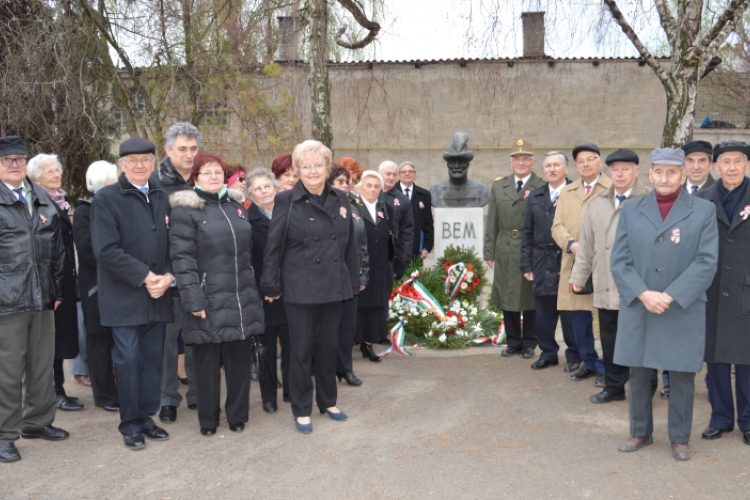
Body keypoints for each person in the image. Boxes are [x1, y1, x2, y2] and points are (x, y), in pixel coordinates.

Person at [612, 147, 718, 461]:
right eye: (659, 171)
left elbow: (706, 262)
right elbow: (619, 261)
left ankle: (679, 438)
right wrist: (644, 294)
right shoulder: (632, 210)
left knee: (683, 375)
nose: (665, 178)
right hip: (640, 304)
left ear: (683, 174)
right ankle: (640, 431)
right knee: (640, 373)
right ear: (650, 174)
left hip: (681, 306)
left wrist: (669, 295)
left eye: (672, 172)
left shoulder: (703, 211)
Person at [261, 140, 359, 434]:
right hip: (300, 287)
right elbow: (273, 246)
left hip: (333, 284)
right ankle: (301, 408)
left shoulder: (341, 199)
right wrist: (270, 283)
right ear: (298, 170)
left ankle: (328, 401)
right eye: (307, 166)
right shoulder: (286, 200)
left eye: (319, 165)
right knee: (301, 351)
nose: (313, 170)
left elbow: (350, 245)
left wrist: (352, 282)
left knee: (329, 347)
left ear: (328, 168)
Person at [169, 152, 265, 436]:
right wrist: (193, 299)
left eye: (218, 172)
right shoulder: (185, 211)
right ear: (195, 178)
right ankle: (208, 420)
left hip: (240, 295)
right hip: (207, 297)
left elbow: (248, 254)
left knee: (238, 360)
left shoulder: (237, 207)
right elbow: (182, 259)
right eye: (207, 172)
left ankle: (237, 415)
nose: (213, 177)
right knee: (207, 364)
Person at [91, 137, 175, 450]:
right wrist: (146, 276)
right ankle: (130, 425)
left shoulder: (162, 195)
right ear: (122, 165)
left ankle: (145, 417)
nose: (139, 165)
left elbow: (174, 243)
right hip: (124, 296)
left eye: (145, 159)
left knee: (152, 360)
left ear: (154, 162)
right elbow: (106, 250)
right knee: (128, 360)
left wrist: (167, 276)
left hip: (159, 293)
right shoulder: (106, 199)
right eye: (132, 160)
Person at [0, 136, 69, 464]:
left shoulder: (40, 196)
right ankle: (4, 435)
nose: (14, 164)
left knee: (41, 365)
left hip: (42, 298)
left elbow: (57, 249)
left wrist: (55, 290)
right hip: (6, 302)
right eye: (6, 159)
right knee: (8, 372)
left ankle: (38, 423)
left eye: (19, 158)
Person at [570, 150, 651, 404]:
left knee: (641, 339)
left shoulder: (649, 200)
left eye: (625, 168)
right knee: (609, 337)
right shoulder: (597, 203)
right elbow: (587, 246)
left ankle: (645, 388)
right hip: (606, 283)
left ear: (636, 171)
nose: (620, 174)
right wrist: (578, 277)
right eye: (615, 169)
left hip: (638, 286)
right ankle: (614, 386)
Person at [695, 140, 750, 445]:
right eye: (725, 162)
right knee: (715, 358)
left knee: (747, 361)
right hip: (712, 289)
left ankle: (748, 420)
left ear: (747, 165)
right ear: (716, 167)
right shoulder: (702, 200)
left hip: (745, 289)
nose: (731, 168)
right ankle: (721, 418)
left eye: (737, 161)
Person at [552, 143, 612, 384]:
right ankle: (588, 362)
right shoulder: (567, 191)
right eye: (581, 161)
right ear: (575, 166)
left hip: (605, 263)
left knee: (607, 319)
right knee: (579, 316)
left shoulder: (611, 188)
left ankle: (609, 368)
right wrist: (571, 244)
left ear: (600, 162)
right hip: (575, 262)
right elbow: (557, 226)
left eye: (591, 159)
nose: (586, 164)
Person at [26, 154, 82, 411]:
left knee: (58, 340)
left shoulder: (57, 199)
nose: (56, 175)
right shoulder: (38, 203)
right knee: (50, 341)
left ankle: (57, 389)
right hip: (51, 284)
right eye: (50, 172)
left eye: (57, 170)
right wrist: (56, 289)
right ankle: (54, 392)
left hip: (63, 280)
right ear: (36, 177)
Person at [152, 122, 199, 424]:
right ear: (168, 150)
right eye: (182, 149)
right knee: (167, 343)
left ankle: (198, 393)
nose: (189, 154)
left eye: (194, 148)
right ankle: (168, 399)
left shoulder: (205, 177)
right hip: (165, 276)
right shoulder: (155, 184)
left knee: (197, 338)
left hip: (198, 274)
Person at [520, 151, 580, 372]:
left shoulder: (577, 192)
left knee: (569, 312)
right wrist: (526, 265)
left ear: (566, 169)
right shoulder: (535, 196)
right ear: (543, 170)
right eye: (548, 166)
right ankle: (548, 353)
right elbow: (527, 233)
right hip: (541, 261)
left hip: (567, 260)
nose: (552, 169)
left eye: (556, 165)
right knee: (544, 314)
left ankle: (574, 354)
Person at [485, 140, 545, 358]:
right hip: (505, 246)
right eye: (517, 159)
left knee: (529, 296)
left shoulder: (542, 185)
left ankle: (530, 342)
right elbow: (492, 220)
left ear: (533, 162)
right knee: (507, 293)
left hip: (532, 247)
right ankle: (513, 341)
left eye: (526, 159)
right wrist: (489, 251)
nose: (521, 163)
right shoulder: (499, 186)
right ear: (511, 163)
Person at [73, 161, 120, 413]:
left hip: (117, 286)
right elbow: (88, 251)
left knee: (119, 340)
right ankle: (105, 396)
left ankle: (122, 390)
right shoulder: (84, 211)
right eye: (114, 178)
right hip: (95, 288)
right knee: (99, 342)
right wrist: (117, 262)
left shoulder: (115, 206)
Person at [246, 168, 292, 411]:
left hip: (292, 292)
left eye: (267, 186)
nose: (264, 192)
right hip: (264, 295)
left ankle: (291, 392)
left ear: (276, 188)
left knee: (292, 345)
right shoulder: (247, 220)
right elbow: (248, 262)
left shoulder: (290, 213)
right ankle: (269, 397)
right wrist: (259, 292)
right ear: (251, 195)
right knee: (266, 348)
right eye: (258, 188)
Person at [329, 164, 368, 385]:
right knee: (328, 327)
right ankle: (324, 368)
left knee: (347, 327)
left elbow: (363, 244)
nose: (347, 185)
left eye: (348, 181)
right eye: (341, 182)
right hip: (330, 277)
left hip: (352, 275)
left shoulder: (354, 207)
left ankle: (345, 369)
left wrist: (364, 273)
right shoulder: (324, 206)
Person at [354, 170, 396, 363]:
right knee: (362, 305)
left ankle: (369, 342)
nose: (372, 189)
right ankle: (360, 341)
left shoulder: (384, 207)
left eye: (376, 186)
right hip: (362, 265)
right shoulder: (354, 208)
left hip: (381, 265)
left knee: (377, 305)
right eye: (368, 185)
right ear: (360, 187)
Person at [378, 160, 414, 277]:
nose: (391, 177)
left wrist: (404, 260)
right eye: (388, 174)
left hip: (392, 258)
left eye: (394, 175)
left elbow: (407, 232)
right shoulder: (369, 194)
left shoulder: (403, 200)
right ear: (380, 174)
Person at [394, 161, 434, 261]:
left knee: (415, 276)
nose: (407, 174)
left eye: (410, 171)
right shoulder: (390, 193)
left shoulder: (424, 194)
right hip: (395, 250)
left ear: (415, 174)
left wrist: (427, 247)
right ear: (399, 175)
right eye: (404, 172)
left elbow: (428, 223)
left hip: (417, 251)